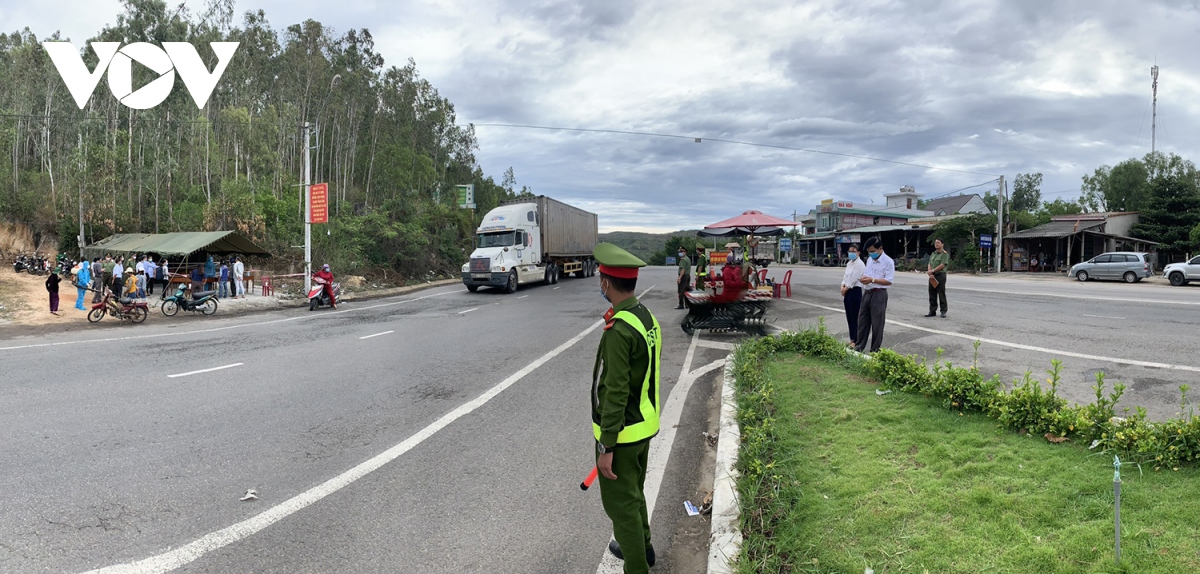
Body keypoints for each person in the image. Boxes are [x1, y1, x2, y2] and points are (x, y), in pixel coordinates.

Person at [591, 242, 661, 573]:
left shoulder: (618, 330)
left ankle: (637, 565)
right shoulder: (645, 317)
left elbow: (615, 390)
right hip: (643, 426)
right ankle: (643, 547)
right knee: (634, 494)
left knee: (621, 506)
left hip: (622, 434)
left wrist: (607, 444)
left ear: (606, 283)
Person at [855, 236, 894, 354]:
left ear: (880, 248)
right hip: (867, 293)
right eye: (869, 252)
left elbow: (888, 281)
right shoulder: (870, 260)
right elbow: (867, 274)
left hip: (879, 294)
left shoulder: (888, 262)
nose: (871, 254)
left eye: (872, 251)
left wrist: (872, 280)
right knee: (862, 322)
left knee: (877, 324)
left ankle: (874, 350)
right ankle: (859, 347)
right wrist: (864, 279)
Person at [840, 244, 866, 343]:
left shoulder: (860, 264)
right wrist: (842, 286)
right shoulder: (849, 263)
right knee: (849, 317)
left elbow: (853, 279)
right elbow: (845, 277)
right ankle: (852, 339)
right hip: (847, 291)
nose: (851, 253)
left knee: (855, 317)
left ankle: (856, 340)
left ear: (858, 253)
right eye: (850, 251)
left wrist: (846, 288)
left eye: (853, 251)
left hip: (854, 291)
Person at [926, 238, 950, 318]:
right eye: (935, 243)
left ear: (942, 244)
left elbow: (942, 265)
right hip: (932, 275)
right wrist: (930, 272)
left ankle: (943, 311)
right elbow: (929, 263)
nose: (936, 244)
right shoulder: (933, 254)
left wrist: (932, 271)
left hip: (940, 275)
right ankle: (932, 310)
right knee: (932, 293)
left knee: (941, 293)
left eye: (938, 243)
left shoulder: (944, 254)